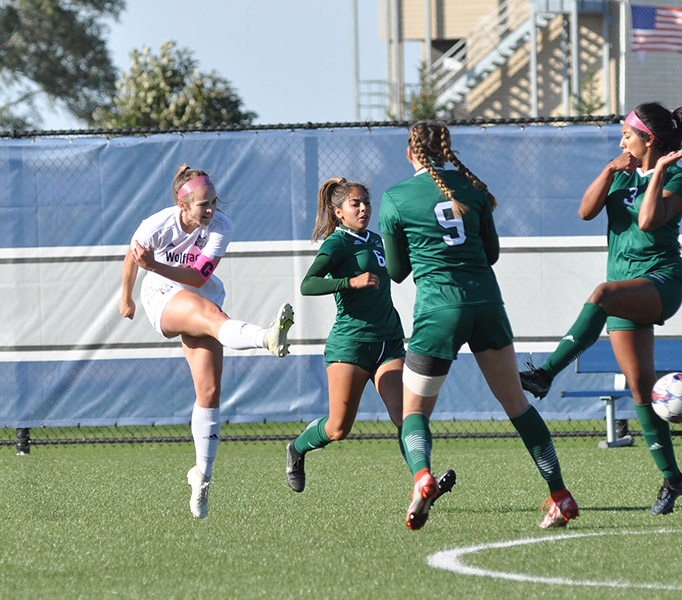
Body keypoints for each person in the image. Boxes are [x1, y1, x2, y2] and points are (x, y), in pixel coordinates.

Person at [379, 120, 579, 530]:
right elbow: (490, 254)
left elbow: (397, 271)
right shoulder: (474, 189)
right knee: (518, 407)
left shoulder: (396, 197)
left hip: (438, 309)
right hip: (486, 304)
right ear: (447, 150)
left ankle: (421, 477)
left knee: (414, 411)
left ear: (410, 153)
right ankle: (560, 495)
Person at [519, 102, 682, 515]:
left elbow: (650, 221)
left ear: (648, 140)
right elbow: (584, 212)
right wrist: (609, 170)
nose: (622, 141)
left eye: (628, 135)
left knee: (600, 294)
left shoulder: (678, 178)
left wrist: (659, 172)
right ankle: (672, 478)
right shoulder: (621, 174)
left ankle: (545, 373)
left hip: (660, 282)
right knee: (640, 389)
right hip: (625, 288)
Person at [119, 164, 294, 518]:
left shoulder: (221, 227)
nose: (212, 210)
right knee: (212, 318)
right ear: (182, 205)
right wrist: (126, 297)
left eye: (214, 202)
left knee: (210, 392)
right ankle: (265, 337)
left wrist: (155, 263)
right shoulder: (158, 224)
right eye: (203, 205)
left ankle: (201, 477)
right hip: (163, 297)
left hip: (199, 296)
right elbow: (132, 258)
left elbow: (199, 278)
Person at [284, 177, 455, 498]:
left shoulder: (377, 240)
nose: (364, 209)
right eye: (355, 204)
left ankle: (423, 480)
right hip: (351, 345)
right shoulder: (337, 244)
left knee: (406, 415)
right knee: (338, 428)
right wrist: (349, 282)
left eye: (366, 202)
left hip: (388, 341)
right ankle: (296, 448)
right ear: (338, 212)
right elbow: (308, 284)